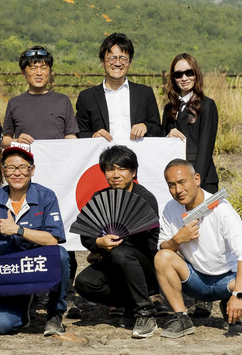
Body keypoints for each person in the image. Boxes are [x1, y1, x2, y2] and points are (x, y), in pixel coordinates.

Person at [0, 143, 74, 336]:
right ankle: (26, 305)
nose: (17, 173)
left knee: (60, 255)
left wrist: (18, 230)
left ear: (32, 170)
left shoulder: (46, 196)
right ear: (3, 171)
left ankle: (54, 314)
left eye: (23, 167)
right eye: (11, 167)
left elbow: (53, 240)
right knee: (2, 325)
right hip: (10, 273)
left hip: (37, 266)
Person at [155, 159, 242, 339]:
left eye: (182, 182)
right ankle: (181, 317)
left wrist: (238, 295)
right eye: (171, 185)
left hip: (227, 279)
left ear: (196, 179)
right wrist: (177, 240)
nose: (178, 190)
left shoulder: (222, 208)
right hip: (195, 279)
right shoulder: (170, 208)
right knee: (162, 257)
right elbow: (162, 246)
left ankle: (227, 304)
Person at [74, 145, 160, 338]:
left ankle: (145, 312)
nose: (116, 174)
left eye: (122, 168)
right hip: (114, 262)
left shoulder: (145, 198)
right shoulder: (99, 197)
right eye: (110, 169)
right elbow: (86, 234)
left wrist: (104, 249)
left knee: (122, 253)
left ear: (133, 171)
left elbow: (142, 238)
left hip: (145, 266)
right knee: (84, 282)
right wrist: (98, 243)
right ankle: (130, 304)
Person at [76, 33, 162, 142]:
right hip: (103, 157)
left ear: (130, 62)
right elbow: (79, 133)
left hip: (138, 157)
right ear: (102, 61)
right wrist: (94, 136)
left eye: (123, 58)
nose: (117, 63)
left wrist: (145, 127)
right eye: (112, 58)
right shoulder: (87, 97)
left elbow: (159, 130)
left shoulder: (145, 93)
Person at [163, 53, 220, 192]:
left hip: (201, 179)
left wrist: (195, 180)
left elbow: (206, 148)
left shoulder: (207, 105)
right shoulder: (168, 108)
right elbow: (162, 143)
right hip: (176, 180)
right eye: (178, 74)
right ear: (173, 78)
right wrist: (167, 137)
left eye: (189, 73)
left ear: (196, 74)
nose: (184, 78)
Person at [2, 46, 79, 145]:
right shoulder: (14, 103)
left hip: (56, 159)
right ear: (23, 73)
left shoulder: (63, 101)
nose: (39, 73)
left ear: (50, 72)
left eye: (43, 68)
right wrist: (16, 141)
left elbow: (70, 136)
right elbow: (5, 140)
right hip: (26, 159)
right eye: (33, 68)